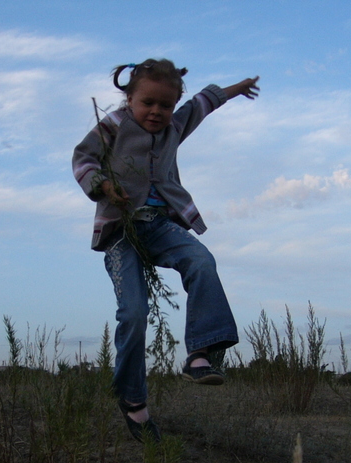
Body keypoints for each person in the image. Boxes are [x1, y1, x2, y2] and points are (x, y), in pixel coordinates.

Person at [72, 58, 259, 443]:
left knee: (201, 260)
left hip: (160, 226)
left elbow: (204, 103)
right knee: (135, 312)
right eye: (148, 103)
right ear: (129, 99)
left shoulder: (175, 124)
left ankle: (201, 353)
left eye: (166, 105)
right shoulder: (113, 126)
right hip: (121, 232)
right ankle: (132, 400)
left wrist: (237, 88)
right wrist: (104, 187)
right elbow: (83, 159)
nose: (157, 112)